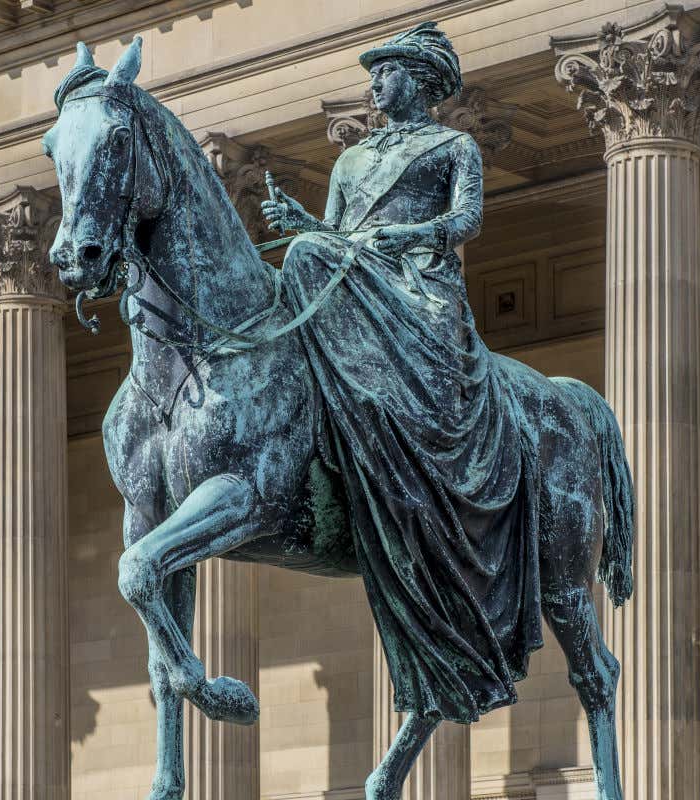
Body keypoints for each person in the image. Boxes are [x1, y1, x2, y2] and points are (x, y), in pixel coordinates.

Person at [261, 22, 548, 727]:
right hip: (356, 283)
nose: (372, 85)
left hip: (418, 292)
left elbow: (468, 221)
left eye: (384, 73)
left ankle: (394, 440)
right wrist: (302, 220)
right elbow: (333, 233)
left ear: (418, 81)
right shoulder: (352, 159)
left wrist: (408, 236)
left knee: (303, 261)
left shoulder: (452, 146)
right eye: (374, 74)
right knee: (300, 254)